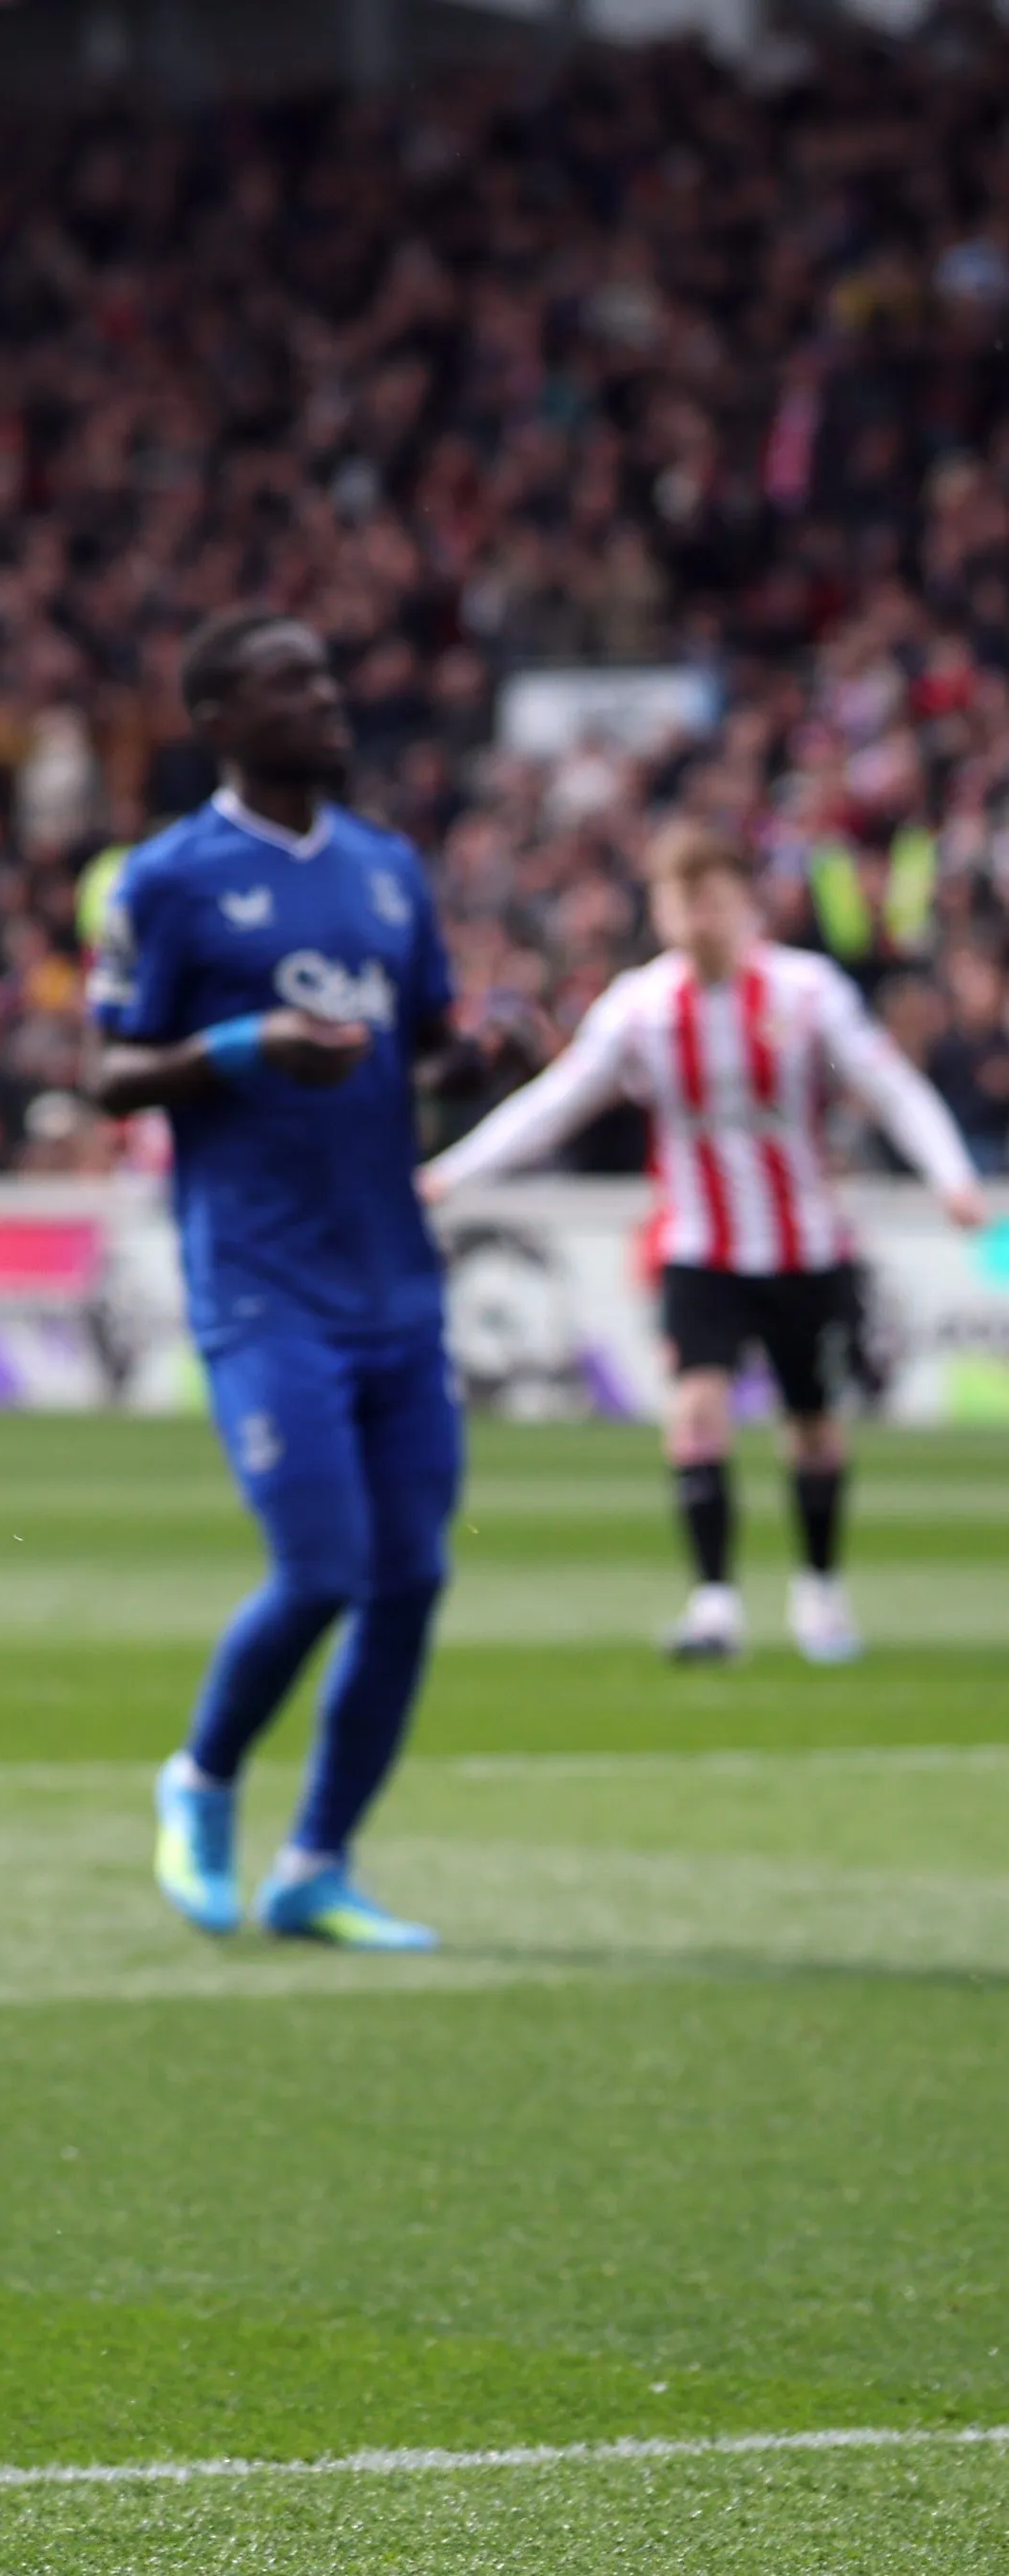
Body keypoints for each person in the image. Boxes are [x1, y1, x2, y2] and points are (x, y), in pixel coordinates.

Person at [87, 612, 465, 1955]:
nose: (325, 696)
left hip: (393, 1279)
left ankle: (315, 1863)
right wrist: (245, 1044)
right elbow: (107, 1073)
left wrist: (483, 1053)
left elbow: (423, 1040)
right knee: (319, 1566)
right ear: (217, 719)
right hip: (259, 1284)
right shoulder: (167, 880)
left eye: (323, 673)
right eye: (286, 682)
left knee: (410, 1577)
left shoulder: (385, 869)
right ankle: (197, 1777)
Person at [421, 820, 985, 1662]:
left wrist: (950, 1173)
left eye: (711, 899)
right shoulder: (641, 1007)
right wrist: (453, 1173)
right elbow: (556, 1102)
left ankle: (819, 1592)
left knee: (812, 1427)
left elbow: (889, 1085)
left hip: (803, 1244)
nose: (696, 919)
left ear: (742, 903)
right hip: (698, 1243)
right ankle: (714, 1602)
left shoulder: (804, 992)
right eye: (678, 902)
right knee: (694, 1410)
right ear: (659, 910)